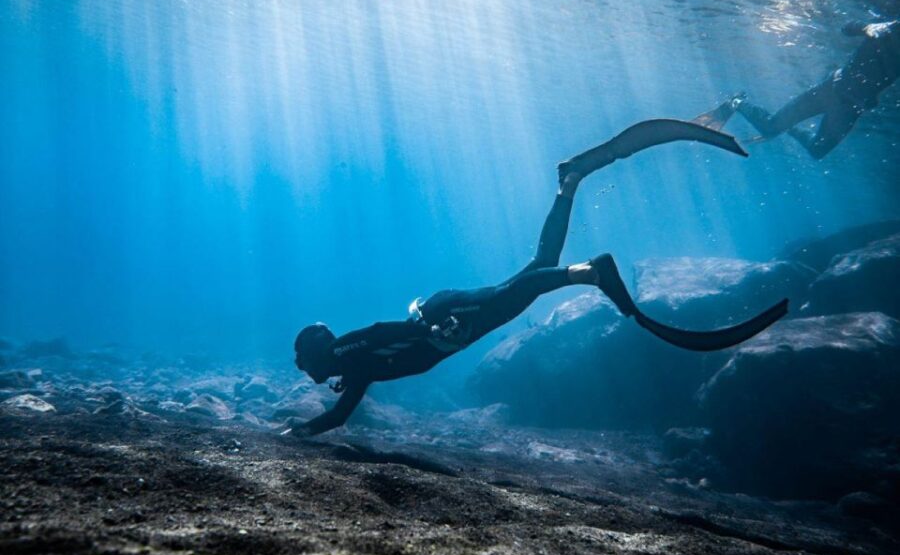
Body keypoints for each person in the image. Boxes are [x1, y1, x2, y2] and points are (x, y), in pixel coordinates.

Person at [285, 120, 788, 438]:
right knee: (537, 264)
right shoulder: (351, 371)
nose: (303, 368)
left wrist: (428, 333)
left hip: (448, 321)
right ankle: (570, 182)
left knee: (514, 293)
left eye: (302, 359)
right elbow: (339, 415)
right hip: (446, 325)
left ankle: (589, 273)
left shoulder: (343, 352)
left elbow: (377, 332)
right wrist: (302, 432)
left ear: (315, 351)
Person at [704, 20, 899, 159]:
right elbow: (846, 28)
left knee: (817, 151)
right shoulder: (890, 29)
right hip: (830, 90)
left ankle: (787, 127)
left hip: (852, 106)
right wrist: (865, 27)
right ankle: (737, 102)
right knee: (770, 127)